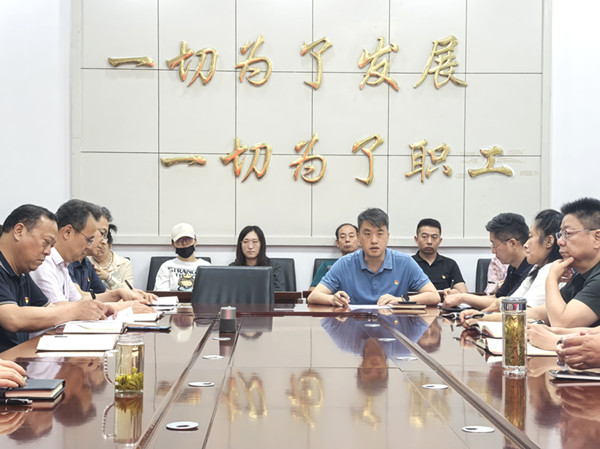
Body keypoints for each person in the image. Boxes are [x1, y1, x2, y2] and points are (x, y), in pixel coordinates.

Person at [0, 204, 113, 352]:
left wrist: (97, 308)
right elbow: (13, 318)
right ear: (19, 231)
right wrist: (75, 311)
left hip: (17, 358)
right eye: (45, 243)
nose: (48, 252)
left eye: (51, 246)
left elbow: (50, 308)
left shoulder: (22, 274)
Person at [29, 199, 151, 308]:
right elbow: (61, 309)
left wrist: (117, 294)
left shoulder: (63, 263)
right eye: (89, 239)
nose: (89, 245)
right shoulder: (45, 261)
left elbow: (79, 300)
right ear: (67, 232)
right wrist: (120, 307)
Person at [307, 208, 439, 306]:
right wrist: (332, 299)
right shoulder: (344, 263)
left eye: (380, 234)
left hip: (393, 327)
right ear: (359, 238)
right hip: (353, 327)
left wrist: (400, 300)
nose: (374, 240)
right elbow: (313, 296)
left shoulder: (404, 262)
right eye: (367, 234)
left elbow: (434, 296)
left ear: (388, 237)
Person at [459, 209, 564, 326]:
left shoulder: (551, 270)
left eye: (530, 237)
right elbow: (514, 302)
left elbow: (527, 313)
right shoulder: (537, 268)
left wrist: (483, 316)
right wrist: (485, 312)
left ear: (549, 241)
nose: (526, 244)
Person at [444, 212, 532, 310]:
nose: (493, 251)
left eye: (494, 245)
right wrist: (461, 296)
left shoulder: (531, 269)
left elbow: (509, 304)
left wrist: (463, 298)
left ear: (512, 244)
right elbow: (496, 298)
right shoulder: (513, 267)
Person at [542, 197, 600, 328]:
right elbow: (544, 313)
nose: (560, 241)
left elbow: (561, 323)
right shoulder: (581, 274)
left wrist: (552, 278)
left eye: (567, 233)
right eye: (560, 234)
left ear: (597, 238)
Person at [411, 218, 467, 292]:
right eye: (424, 236)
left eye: (434, 237)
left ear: (440, 241)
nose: (429, 241)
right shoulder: (408, 263)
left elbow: (463, 293)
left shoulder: (450, 264)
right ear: (416, 239)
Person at [155, 223, 210, 291]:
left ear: (195, 241)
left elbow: (210, 292)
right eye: (179, 240)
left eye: (188, 239)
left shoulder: (206, 266)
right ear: (173, 244)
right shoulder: (166, 266)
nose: (184, 243)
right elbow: (162, 293)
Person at [230, 225, 284, 291]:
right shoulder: (232, 268)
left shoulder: (274, 267)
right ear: (240, 244)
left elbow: (278, 293)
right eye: (245, 242)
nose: (250, 246)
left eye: (255, 242)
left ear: (261, 244)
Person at [309, 223, 359, 290]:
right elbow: (312, 290)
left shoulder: (367, 264)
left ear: (359, 240)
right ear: (337, 243)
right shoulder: (327, 265)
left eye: (351, 236)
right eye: (342, 237)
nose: (347, 240)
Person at [89, 223, 133, 290]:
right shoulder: (86, 262)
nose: (98, 250)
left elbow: (129, 290)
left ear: (110, 243)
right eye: (95, 246)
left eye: (102, 245)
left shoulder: (124, 263)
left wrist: (109, 278)